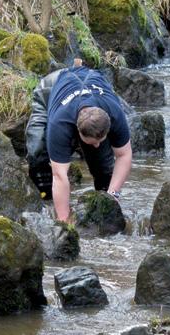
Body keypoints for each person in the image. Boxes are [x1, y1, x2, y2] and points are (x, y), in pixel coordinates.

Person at [26, 61, 132, 223]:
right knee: (38, 151)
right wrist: (64, 220)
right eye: (91, 142)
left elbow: (124, 155)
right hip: (51, 89)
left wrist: (113, 195)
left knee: (104, 169)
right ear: (77, 131)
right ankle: (45, 200)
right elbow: (59, 175)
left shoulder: (114, 113)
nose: (97, 145)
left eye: (100, 140)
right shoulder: (60, 123)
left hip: (92, 83)